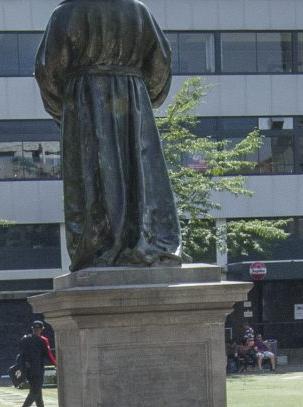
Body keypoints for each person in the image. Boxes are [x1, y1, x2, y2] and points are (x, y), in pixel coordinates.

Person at [35, 0, 182, 270]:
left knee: (93, 180)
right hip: (133, 100)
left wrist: (68, 113)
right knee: (138, 172)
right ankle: (141, 240)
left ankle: (101, 246)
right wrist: (139, 96)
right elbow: (161, 64)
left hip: (84, 104)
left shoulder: (66, 14)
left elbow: (48, 73)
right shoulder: (138, 11)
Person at [14, 319, 55, 407]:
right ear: (42, 329)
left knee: (37, 390)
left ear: (32, 329)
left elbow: (21, 354)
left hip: (27, 370)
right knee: (34, 392)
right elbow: (49, 355)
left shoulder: (24, 339)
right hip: (37, 369)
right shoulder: (43, 340)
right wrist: (56, 364)